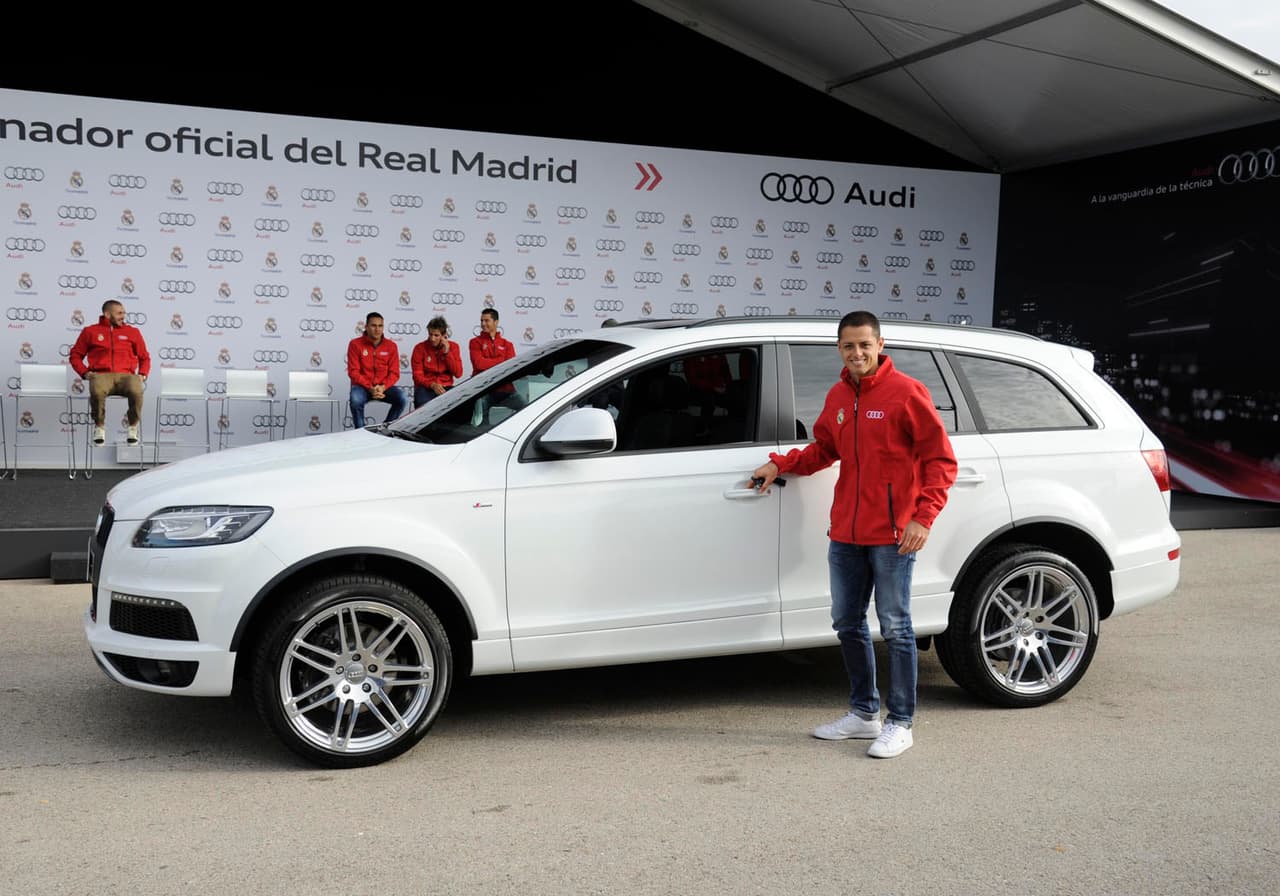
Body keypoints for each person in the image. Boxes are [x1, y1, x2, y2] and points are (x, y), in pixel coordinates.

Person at [750, 310, 956, 759]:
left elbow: (941, 461)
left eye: (865, 344)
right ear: (839, 349)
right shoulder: (840, 395)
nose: (857, 353)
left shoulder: (907, 394)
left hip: (894, 533)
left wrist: (923, 517)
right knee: (847, 622)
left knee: (897, 627)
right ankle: (864, 714)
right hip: (846, 531)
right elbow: (825, 449)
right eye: (848, 346)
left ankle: (900, 722)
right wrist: (780, 464)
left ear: (880, 345)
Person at [69, 299, 151, 445]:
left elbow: (144, 357)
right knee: (98, 388)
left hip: (126, 375)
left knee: (136, 388)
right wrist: (85, 373)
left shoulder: (133, 332)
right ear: (107, 314)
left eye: (124, 313)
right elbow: (75, 355)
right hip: (102, 375)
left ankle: (133, 427)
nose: (123, 316)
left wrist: (143, 374)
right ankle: (99, 427)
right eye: (119, 313)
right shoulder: (90, 331)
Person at [346, 312, 406, 428]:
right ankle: (361, 433)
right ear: (366, 327)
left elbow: (394, 373)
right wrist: (370, 387)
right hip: (362, 387)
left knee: (402, 398)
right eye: (373, 326)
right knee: (355, 399)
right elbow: (353, 372)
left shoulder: (391, 346)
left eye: (380, 326)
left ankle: (386, 428)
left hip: (384, 387)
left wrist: (382, 387)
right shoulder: (355, 344)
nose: (377, 329)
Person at [410, 315, 463, 408]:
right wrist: (432, 385)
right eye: (430, 334)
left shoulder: (454, 347)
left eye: (436, 335)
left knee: (461, 405)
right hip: (426, 387)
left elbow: (458, 373)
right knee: (422, 405)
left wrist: (447, 353)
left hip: (446, 387)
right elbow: (417, 376)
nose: (432, 338)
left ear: (444, 335)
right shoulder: (419, 348)